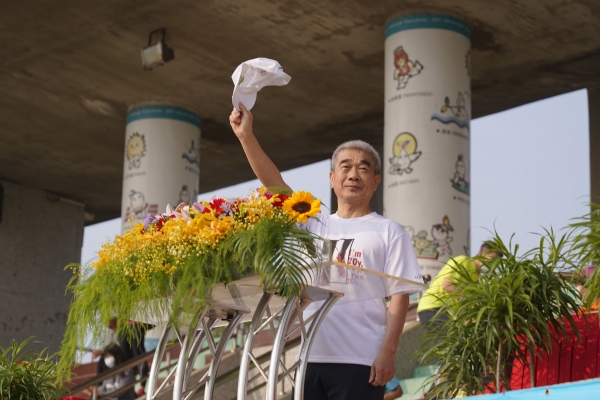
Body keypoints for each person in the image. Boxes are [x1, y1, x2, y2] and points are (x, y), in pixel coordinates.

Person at [229, 103, 423, 400]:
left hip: (362, 362)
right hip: (310, 358)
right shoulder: (314, 222)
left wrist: (388, 353)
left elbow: (399, 297)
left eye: (363, 168)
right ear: (332, 179)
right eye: (345, 167)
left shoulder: (389, 232)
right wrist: (246, 137)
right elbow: (275, 184)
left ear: (375, 182)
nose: (354, 174)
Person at [417, 242, 503, 326]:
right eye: (491, 258)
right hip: (435, 307)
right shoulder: (464, 261)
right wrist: (469, 302)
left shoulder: (477, 279)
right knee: (450, 338)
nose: (493, 264)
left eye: (496, 262)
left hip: (447, 312)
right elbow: (447, 285)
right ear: (480, 254)